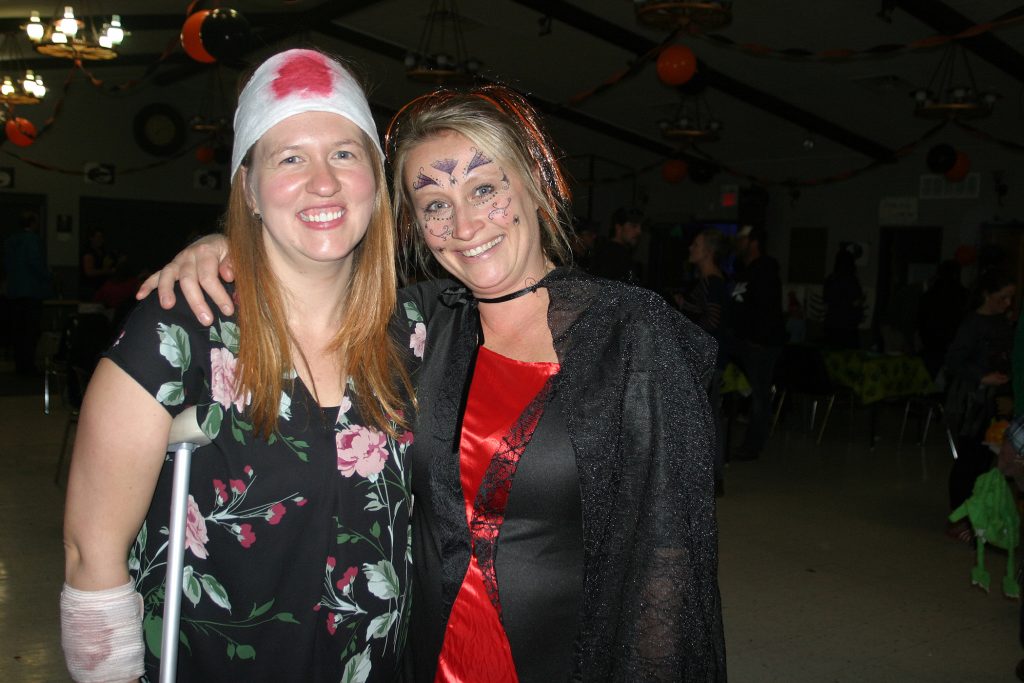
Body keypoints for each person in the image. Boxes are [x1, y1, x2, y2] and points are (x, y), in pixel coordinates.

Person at [142, 85, 727, 682]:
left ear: (533, 183)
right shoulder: (419, 326)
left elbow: (669, 560)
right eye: (434, 204)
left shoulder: (630, 337)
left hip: (567, 660)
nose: (465, 224)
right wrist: (219, 248)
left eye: (484, 188)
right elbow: (304, 284)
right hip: (429, 658)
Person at [60, 49, 414, 682]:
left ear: (376, 181)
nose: (324, 182)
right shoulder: (179, 329)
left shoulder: (415, 333)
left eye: (344, 153)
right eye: (289, 158)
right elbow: (92, 556)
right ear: (247, 189)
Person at [944, 268, 1015, 538]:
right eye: (1003, 297)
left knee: (987, 460)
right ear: (987, 295)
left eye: (1011, 298)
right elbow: (954, 361)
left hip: (995, 401)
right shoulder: (973, 323)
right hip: (971, 402)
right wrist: (983, 377)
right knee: (969, 460)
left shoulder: (1003, 323)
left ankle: (977, 513)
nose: (1008, 303)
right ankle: (958, 518)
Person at [678, 227, 731, 495]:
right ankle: (711, 477)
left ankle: (713, 477)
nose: (691, 248)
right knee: (708, 417)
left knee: (708, 418)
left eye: (696, 243)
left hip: (709, 360)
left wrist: (685, 330)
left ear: (708, 251)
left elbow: (712, 320)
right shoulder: (709, 282)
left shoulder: (714, 282)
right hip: (708, 359)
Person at [727, 223, 785, 461]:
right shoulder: (745, 270)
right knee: (746, 391)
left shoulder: (765, 270)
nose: (738, 244)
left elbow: (768, 308)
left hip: (760, 344)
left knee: (760, 395)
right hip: (744, 341)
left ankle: (753, 445)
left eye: (742, 239)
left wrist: (760, 339)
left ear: (753, 242)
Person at [4, 211, 52, 375]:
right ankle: (28, 366)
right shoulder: (33, 240)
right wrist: (48, 278)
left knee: (18, 331)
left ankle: (20, 364)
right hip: (31, 292)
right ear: (32, 223)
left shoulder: (10, 241)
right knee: (30, 331)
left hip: (14, 292)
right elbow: (36, 264)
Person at [918, 259, 969, 378]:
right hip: (952, 342)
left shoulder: (930, 295)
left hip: (932, 342)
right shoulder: (963, 295)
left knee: (928, 379)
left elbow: (921, 318)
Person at [822, 243, 865, 350]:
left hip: (832, 323)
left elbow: (826, 303)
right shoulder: (852, 280)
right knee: (848, 356)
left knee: (831, 354)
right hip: (848, 324)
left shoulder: (831, 279)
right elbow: (856, 302)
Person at [588, 205, 645, 284]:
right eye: (634, 226)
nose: (639, 231)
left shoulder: (621, 253)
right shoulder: (609, 254)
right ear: (618, 227)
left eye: (640, 227)